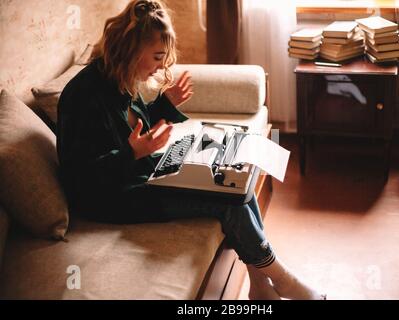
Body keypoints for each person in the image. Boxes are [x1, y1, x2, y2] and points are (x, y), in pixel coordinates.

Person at [56, 0, 325, 300]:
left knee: (236, 182)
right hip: (113, 197)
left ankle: (260, 285)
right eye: (157, 57)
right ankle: (282, 279)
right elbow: (82, 177)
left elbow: (132, 129)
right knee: (226, 202)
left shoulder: (118, 77)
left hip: (140, 171)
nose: (161, 66)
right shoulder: (83, 96)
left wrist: (163, 106)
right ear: (131, 48)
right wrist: (133, 154)